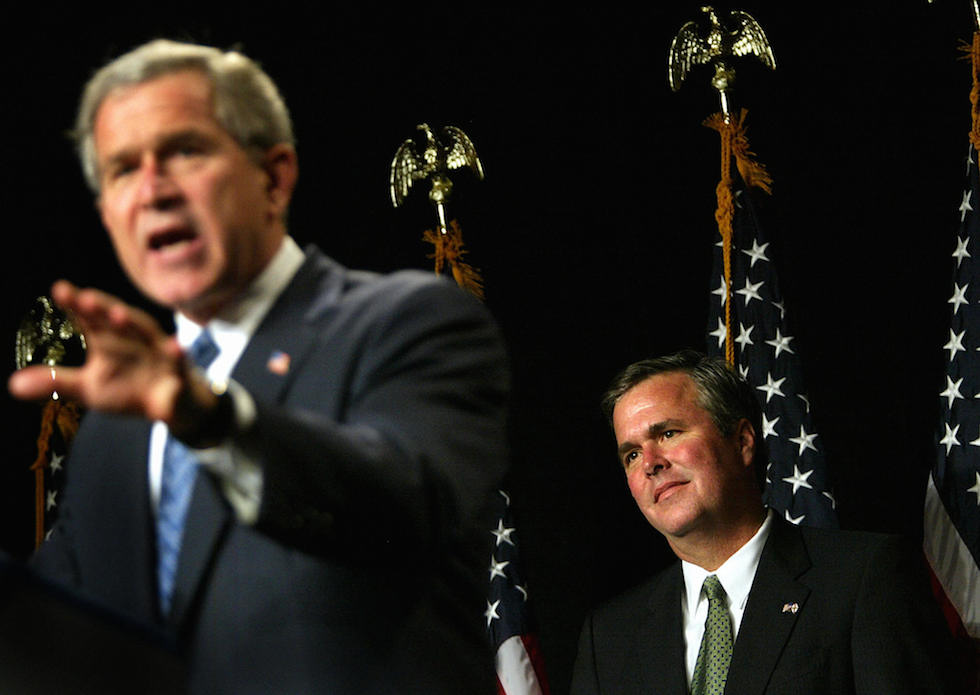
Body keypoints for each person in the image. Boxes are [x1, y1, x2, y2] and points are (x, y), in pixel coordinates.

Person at [7, 39, 509, 694]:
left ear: (274, 177)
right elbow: (54, 642)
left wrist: (211, 421)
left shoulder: (409, 324)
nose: (152, 189)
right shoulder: (113, 431)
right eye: (122, 169)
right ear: (106, 213)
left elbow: (402, 503)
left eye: (185, 151)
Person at [570, 350, 957, 695]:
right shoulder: (608, 636)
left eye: (668, 433)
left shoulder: (863, 579)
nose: (650, 463)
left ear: (742, 441)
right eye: (631, 455)